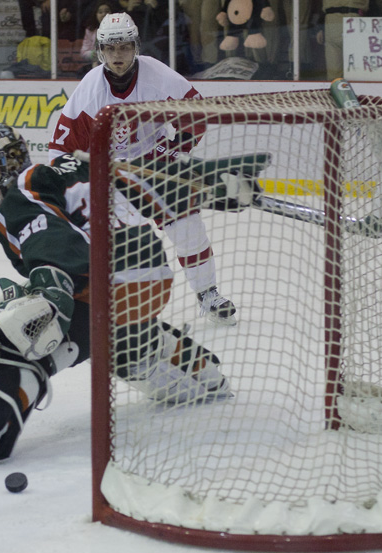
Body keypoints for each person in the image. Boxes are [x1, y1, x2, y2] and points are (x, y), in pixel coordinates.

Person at [0, 124, 232, 467]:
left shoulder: (22, 191)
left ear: (11, 161)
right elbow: (146, 183)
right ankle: (199, 371)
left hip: (106, 275)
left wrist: (50, 282)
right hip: (150, 275)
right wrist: (208, 182)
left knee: (2, 331)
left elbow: (49, 236)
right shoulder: (77, 168)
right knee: (107, 343)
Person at [48, 12, 237, 325]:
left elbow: (198, 117)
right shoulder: (90, 89)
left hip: (157, 171)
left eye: (124, 47)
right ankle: (113, 305)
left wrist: (165, 153)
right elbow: (60, 150)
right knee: (118, 243)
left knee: (188, 225)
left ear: (135, 46)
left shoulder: (158, 76)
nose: (118, 55)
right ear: (100, 51)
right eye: (110, 49)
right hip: (112, 181)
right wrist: (80, 182)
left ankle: (208, 293)